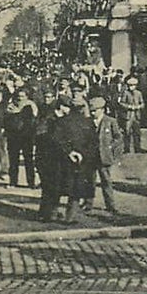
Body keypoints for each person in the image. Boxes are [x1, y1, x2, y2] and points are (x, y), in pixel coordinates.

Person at [51, 93, 99, 224]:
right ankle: (70, 217)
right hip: (81, 162)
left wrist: (69, 152)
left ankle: (53, 215)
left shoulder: (61, 121)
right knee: (76, 191)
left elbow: (56, 140)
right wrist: (83, 155)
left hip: (63, 160)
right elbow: (93, 143)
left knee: (58, 187)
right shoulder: (88, 123)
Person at [84, 96, 123, 215]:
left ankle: (111, 205)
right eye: (91, 110)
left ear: (102, 109)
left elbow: (118, 137)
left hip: (104, 156)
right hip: (91, 157)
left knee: (106, 181)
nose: (92, 113)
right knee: (90, 181)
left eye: (95, 110)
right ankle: (88, 204)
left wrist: (110, 147)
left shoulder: (110, 121)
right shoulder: (88, 121)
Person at [4, 88, 39, 188]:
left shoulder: (31, 105)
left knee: (28, 159)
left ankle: (31, 182)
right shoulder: (11, 105)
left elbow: (32, 119)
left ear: (27, 97)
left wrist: (17, 113)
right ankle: (13, 182)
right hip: (13, 136)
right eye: (18, 96)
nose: (20, 99)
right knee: (13, 160)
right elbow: (6, 119)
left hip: (26, 136)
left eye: (22, 96)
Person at [117, 76, 147, 153]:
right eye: (130, 85)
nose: (131, 87)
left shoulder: (139, 93)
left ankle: (137, 148)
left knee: (137, 132)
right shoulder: (125, 93)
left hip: (136, 115)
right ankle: (126, 148)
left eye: (133, 85)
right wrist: (129, 107)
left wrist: (139, 106)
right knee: (127, 132)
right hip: (128, 115)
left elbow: (142, 103)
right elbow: (121, 103)